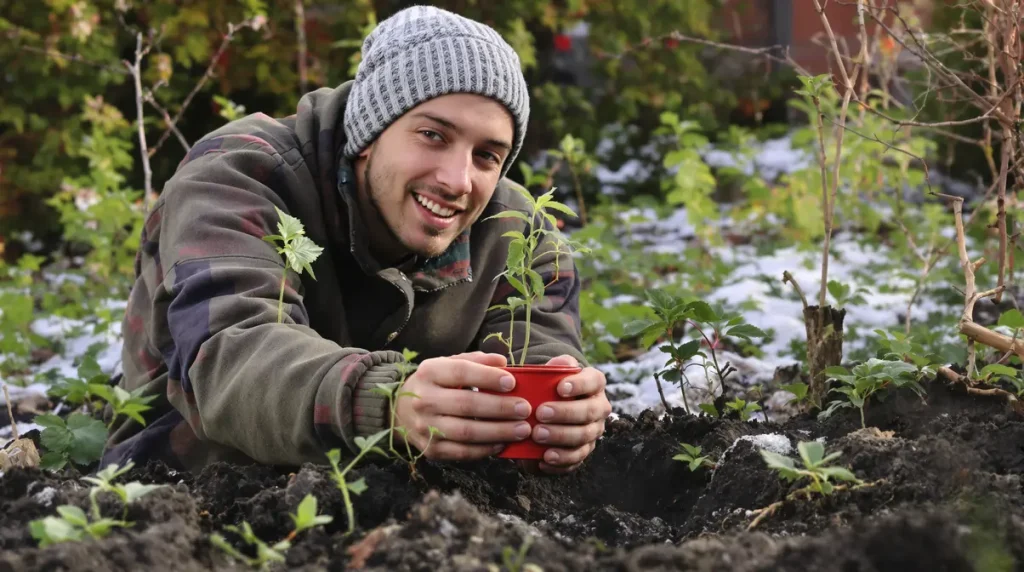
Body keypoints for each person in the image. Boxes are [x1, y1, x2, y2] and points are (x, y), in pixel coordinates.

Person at [101, 6, 611, 475]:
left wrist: (563, 410)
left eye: (487, 155)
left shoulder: (516, 228)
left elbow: (540, 353)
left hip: (417, 512)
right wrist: (387, 403)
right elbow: (228, 357)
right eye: (433, 135)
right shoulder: (238, 178)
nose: (458, 180)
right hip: (192, 489)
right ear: (368, 133)